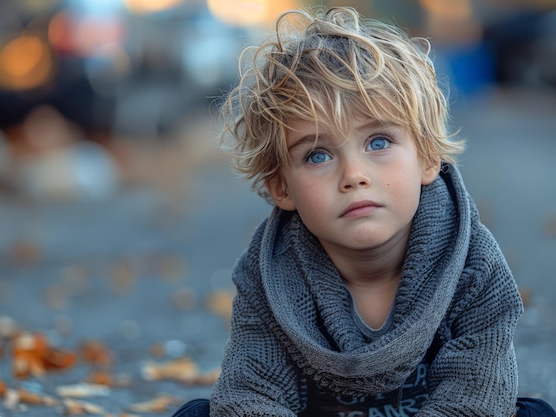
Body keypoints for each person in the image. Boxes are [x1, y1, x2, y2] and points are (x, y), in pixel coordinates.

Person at [172, 5, 556, 417]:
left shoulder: (472, 263)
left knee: (532, 412)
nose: (353, 175)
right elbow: (252, 391)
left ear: (427, 157)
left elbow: (476, 390)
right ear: (281, 187)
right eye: (318, 155)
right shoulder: (269, 274)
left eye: (378, 143)